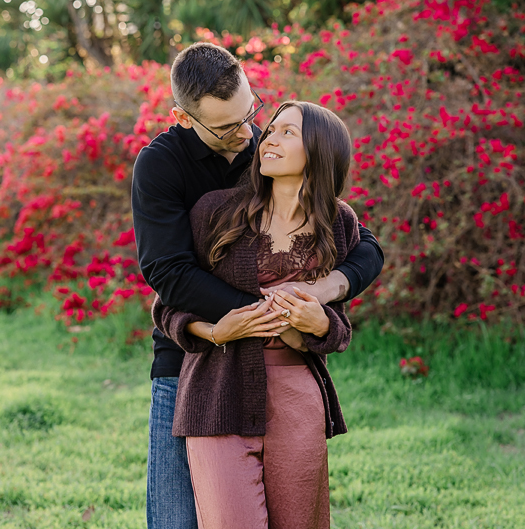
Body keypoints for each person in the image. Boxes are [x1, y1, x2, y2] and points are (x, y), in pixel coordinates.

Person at [131, 42, 384, 529]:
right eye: (228, 127)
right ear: (185, 119)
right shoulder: (163, 166)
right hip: (190, 359)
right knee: (175, 519)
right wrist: (271, 320)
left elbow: (364, 244)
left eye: (254, 114)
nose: (248, 133)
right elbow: (168, 273)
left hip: (284, 376)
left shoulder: (264, 150)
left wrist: (322, 295)